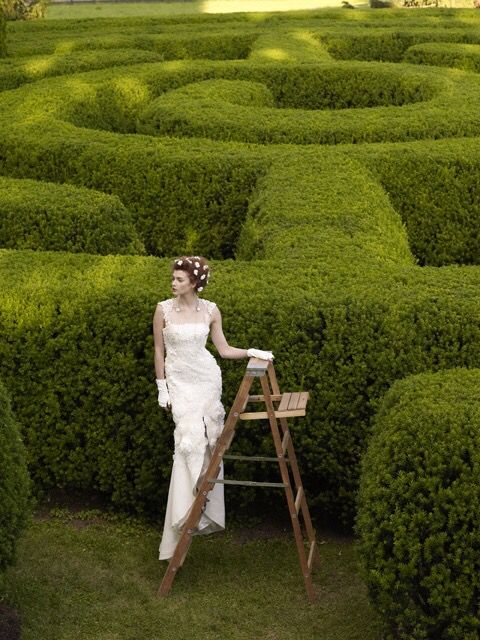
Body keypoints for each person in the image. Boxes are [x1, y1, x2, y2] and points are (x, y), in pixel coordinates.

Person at [154, 256, 274, 561]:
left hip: (207, 380)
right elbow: (159, 350)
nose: (173, 282)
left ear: (194, 283)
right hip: (180, 385)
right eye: (173, 278)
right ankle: (184, 516)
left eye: (180, 279)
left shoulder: (210, 310)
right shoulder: (163, 309)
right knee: (187, 438)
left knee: (208, 442)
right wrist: (162, 388)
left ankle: (198, 511)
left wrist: (250, 351)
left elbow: (222, 349)